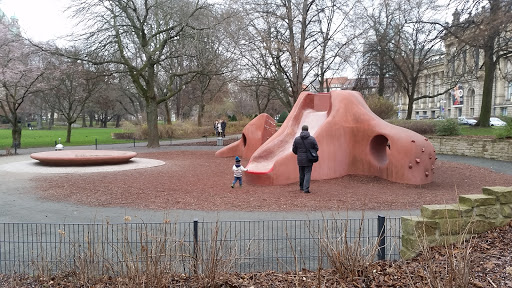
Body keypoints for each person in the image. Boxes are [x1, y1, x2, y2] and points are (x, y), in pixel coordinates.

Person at [292, 125, 319, 193]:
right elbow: (316, 148)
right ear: (307, 130)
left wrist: (298, 154)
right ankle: (306, 188)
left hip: (300, 158)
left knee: (301, 173)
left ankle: (301, 187)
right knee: (307, 173)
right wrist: (312, 152)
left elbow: (294, 149)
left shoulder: (297, 139)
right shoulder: (312, 139)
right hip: (309, 158)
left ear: (302, 130)